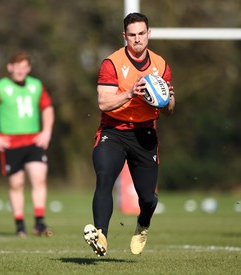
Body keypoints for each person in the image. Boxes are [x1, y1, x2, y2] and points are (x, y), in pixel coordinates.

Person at [83, 12, 175, 256]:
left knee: (148, 199)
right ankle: (100, 234)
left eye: (141, 34)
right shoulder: (111, 63)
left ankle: (143, 225)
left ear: (149, 34)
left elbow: (169, 110)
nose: (137, 39)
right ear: (124, 36)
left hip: (144, 135)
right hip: (113, 132)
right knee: (104, 177)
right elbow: (103, 103)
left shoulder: (161, 65)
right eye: (132, 35)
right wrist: (130, 93)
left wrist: (166, 100)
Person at [0, 51, 55, 237]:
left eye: (24, 67)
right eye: (17, 67)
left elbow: (48, 108)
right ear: (10, 67)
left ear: (29, 68)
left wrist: (47, 131)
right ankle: (20, 224)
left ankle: (39, 222)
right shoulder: (0, 87)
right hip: (10, 143)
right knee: (17, 183)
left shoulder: (36, 85)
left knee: (39, 178)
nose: (20, 71)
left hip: (34, 140)